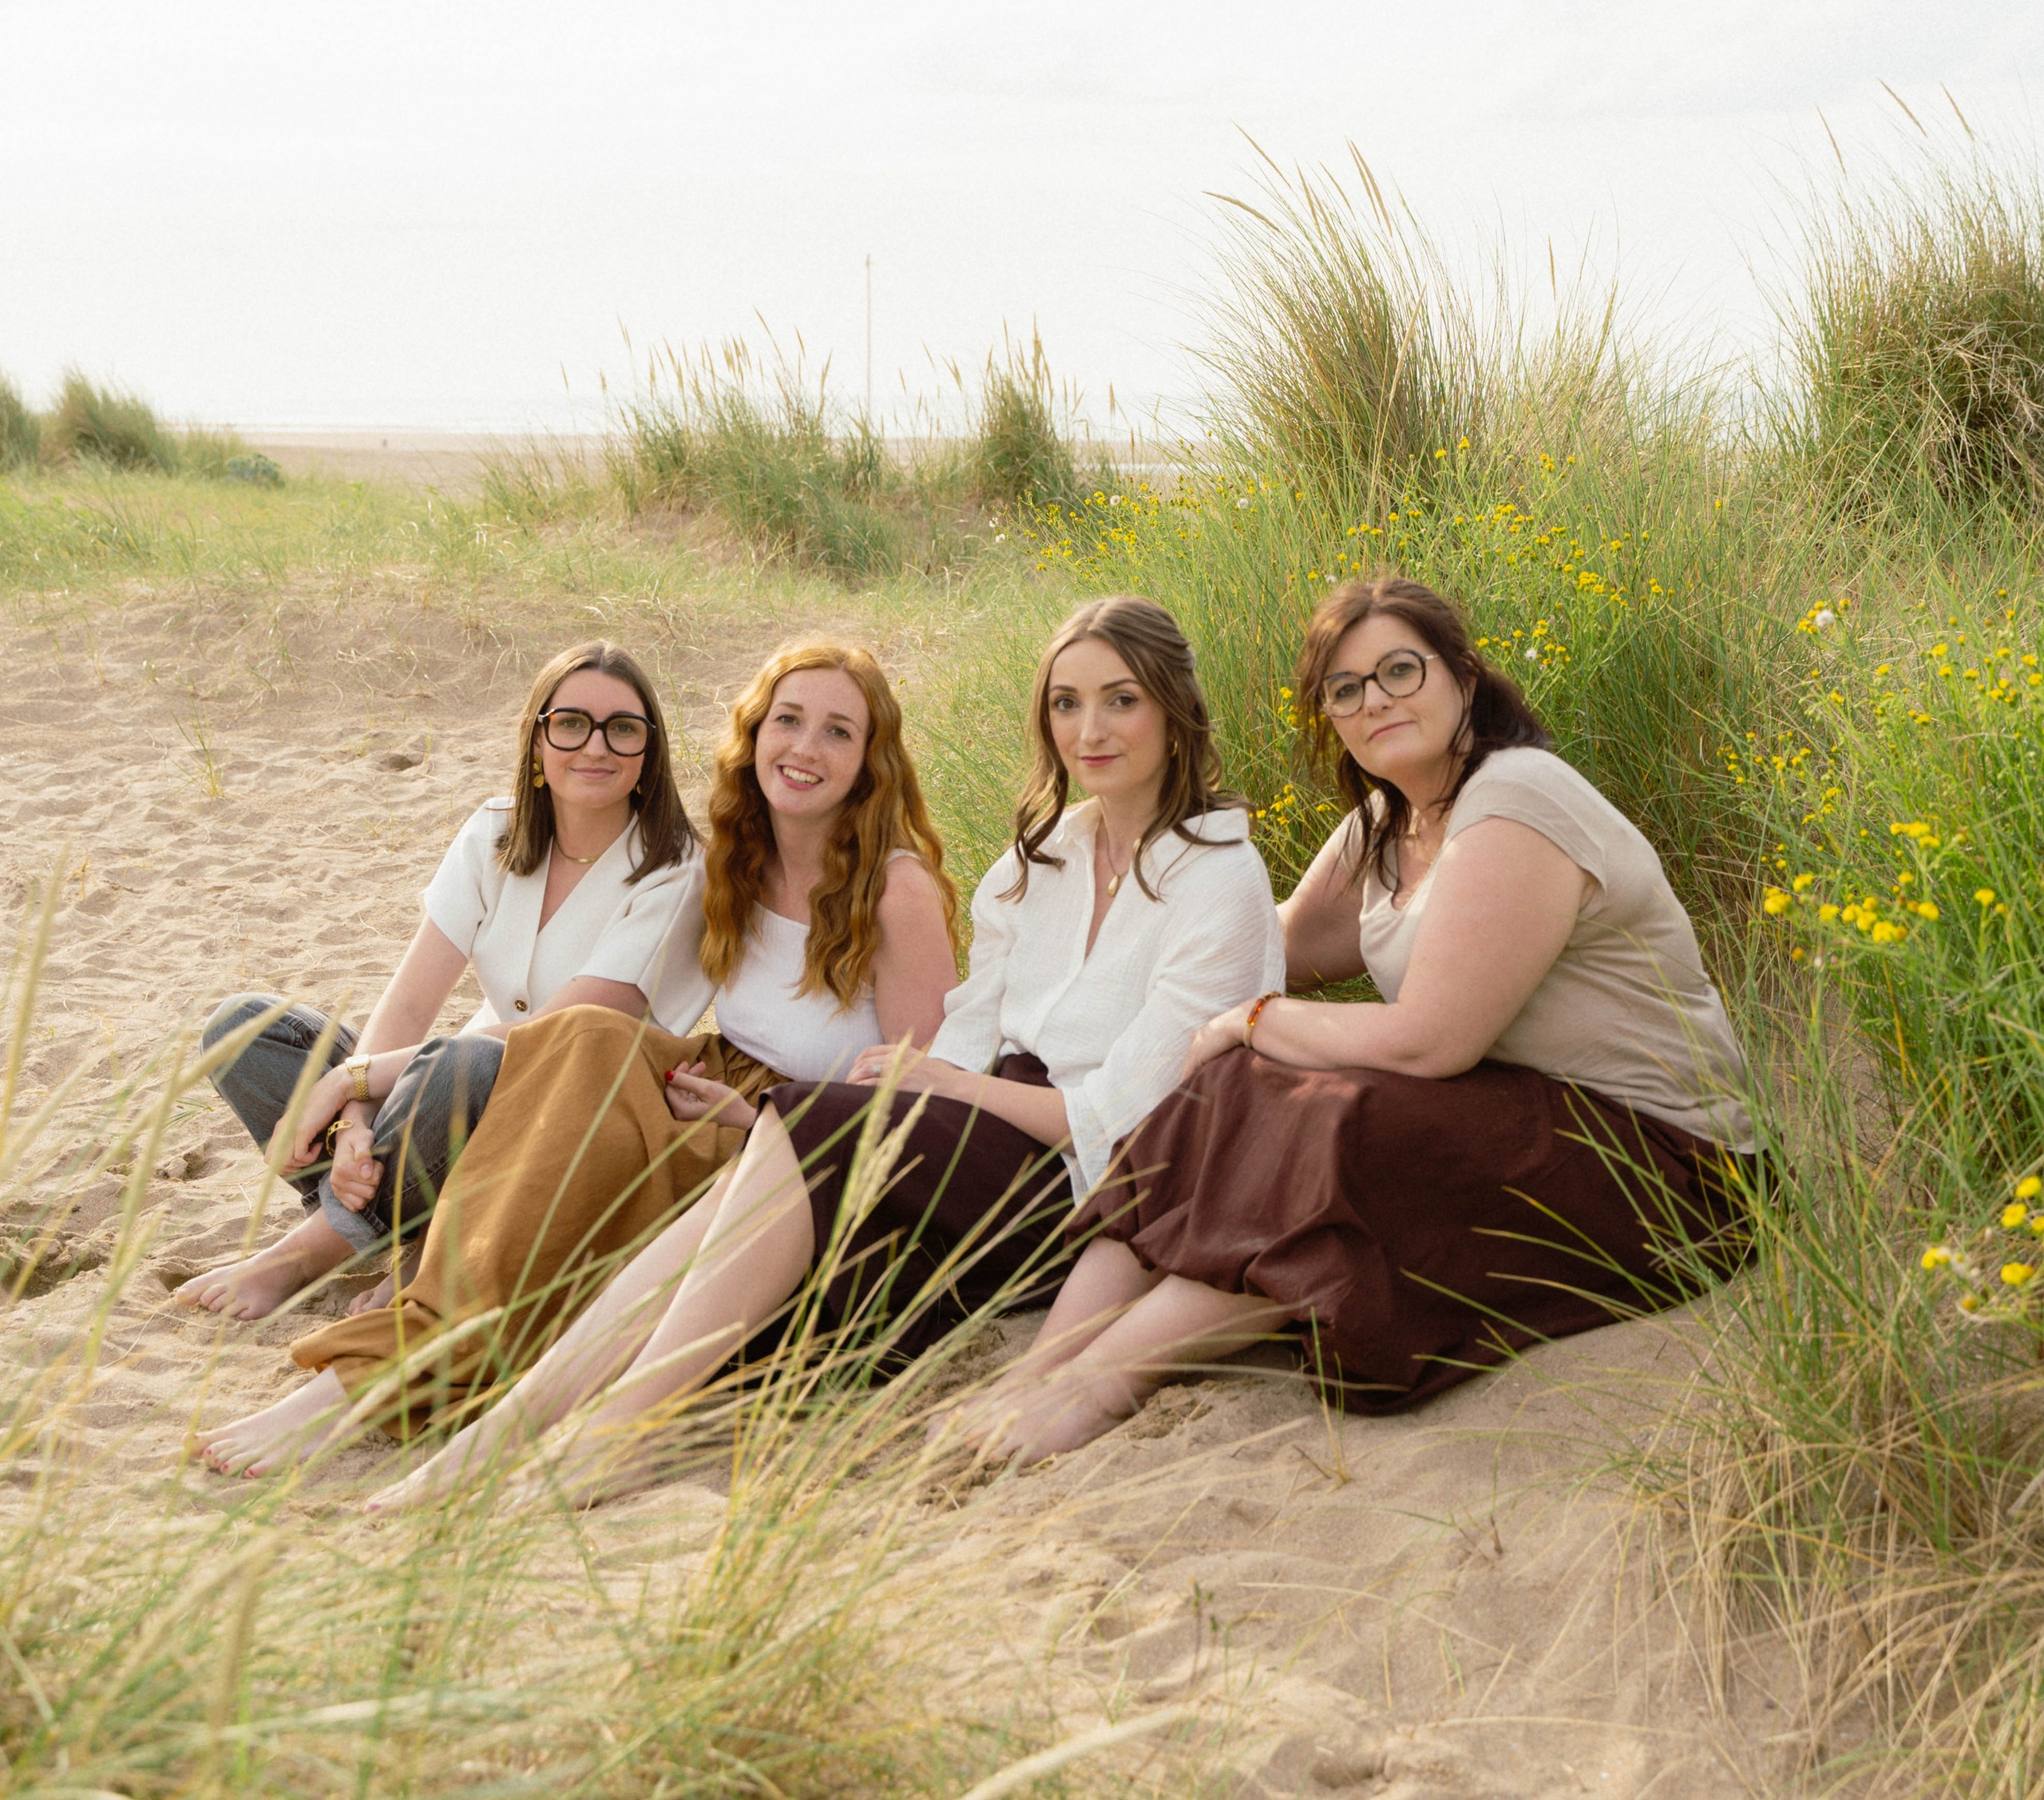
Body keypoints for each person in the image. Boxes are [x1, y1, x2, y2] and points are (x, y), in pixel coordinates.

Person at [339, 592, 1285, 1511]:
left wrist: (939, 1085)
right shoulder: (1034, 864)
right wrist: (922, 1084)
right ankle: (513, 1425)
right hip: (980, 1123)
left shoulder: (1220, 877)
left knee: (799, 1131)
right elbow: (964, 1035)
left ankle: (610, 1434)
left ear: (1174, 709)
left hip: (1088, 1182)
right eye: (1066, 703)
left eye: (1121, 699)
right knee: (730, 1213)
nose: (1092, 728)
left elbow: (1124, 1116)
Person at [952, 573, 1758, 1465]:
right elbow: (1256, 949)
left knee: (1339, 1121)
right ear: (1328, 715)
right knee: (1229, 1088)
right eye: (1345, 688)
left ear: (1463, 675)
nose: (1374, 700)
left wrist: (1253, 1018)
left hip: (1661, 1162)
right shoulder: (1385, 824)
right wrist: (1147, 964)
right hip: (1514, 1114)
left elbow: (1429, 1039)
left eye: (1400, 671)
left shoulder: (1519, 798)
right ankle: (1039, 1370)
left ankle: (1106, 1380)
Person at [193, 638, 961, 1477]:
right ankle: (405, 1264)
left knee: (549, 1053)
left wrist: (766, 1121)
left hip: (802, 1138)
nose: (805, 748)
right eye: (789, 720)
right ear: (753, 734)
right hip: (705, 1083)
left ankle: (366, 1360)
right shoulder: (740, 863)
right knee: (561, 1048)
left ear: (871, 757)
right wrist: (356, 1107)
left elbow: (927, 1103)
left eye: (837, 732)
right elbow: (429, 999)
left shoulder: (894, 890)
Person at [176, 640, 699, 1320]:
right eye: (571, 722)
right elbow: (412, 1000)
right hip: (441, 1103)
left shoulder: (676, 870)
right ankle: (408, 1222)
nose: (595, 746)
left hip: (562, 1128)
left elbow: (548, 1039)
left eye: (622, 729)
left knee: (467, 1058)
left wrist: (347, 1082)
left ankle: (306, 1253)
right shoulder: (494, 834)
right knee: (241, 1028)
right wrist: (359, 1121)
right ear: (537, 740)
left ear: (648, 754)